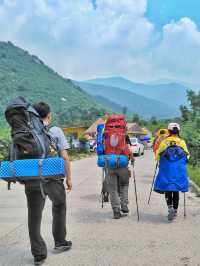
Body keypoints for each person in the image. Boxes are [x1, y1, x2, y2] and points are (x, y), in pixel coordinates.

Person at [25, 102, 72, 265]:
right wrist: (69, 178)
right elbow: (65, 157)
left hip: (31, 179)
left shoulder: (27, 133)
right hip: (52, 179)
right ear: (49, 115)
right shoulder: (55, 131)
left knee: (34, 215)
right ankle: (60, 242)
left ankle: (38, 254)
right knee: (59, 205)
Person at [154, 123, 189, 221]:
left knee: (168, 188)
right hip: (178, 170)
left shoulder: (165, 142)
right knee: (176, 189)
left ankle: (170, 208)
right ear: (178, 131)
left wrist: (159, 162)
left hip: (167, 169)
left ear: (169, 131)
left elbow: (157, 155)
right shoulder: (182, 142)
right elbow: (187, 156)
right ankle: (176, 210)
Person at [105, 133, 134, 219]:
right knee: (124, 185)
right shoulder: (124, 136)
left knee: (113, 189)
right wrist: (132, 159)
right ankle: (124, 206)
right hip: (123, 165)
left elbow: (102, 150)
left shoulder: (107, 135)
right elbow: (129, 150)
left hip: (110, 165)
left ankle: (116, 211)